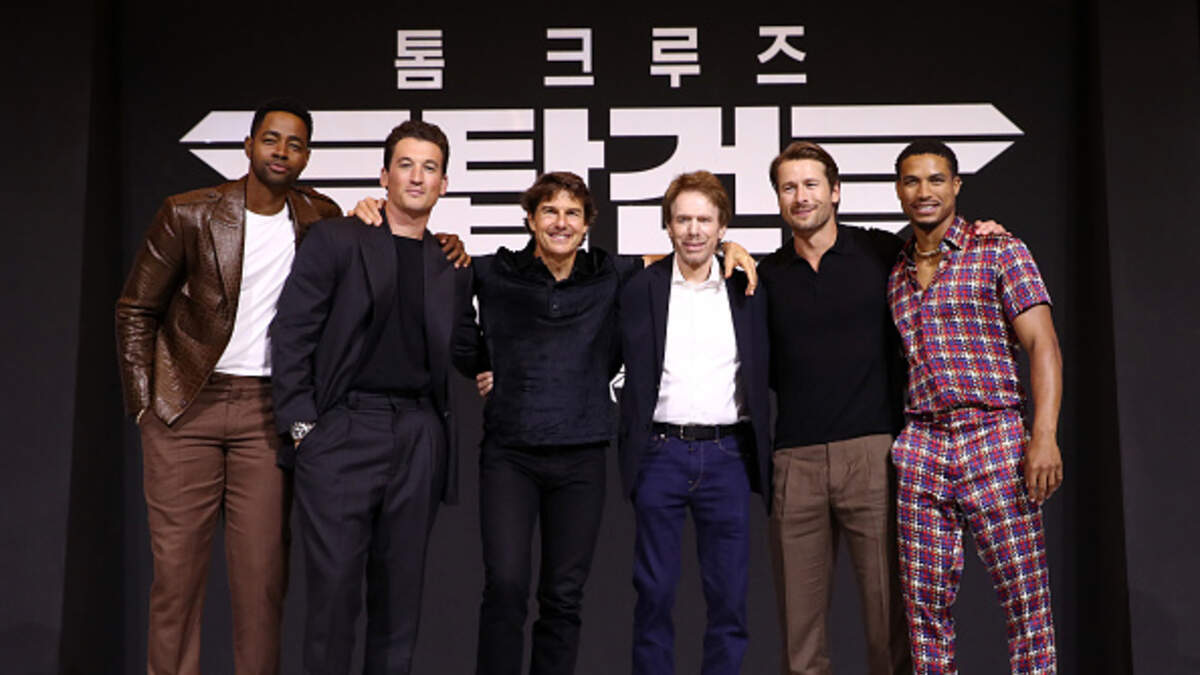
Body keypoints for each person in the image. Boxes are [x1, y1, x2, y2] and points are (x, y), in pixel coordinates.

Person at [351, 172, 756, 675]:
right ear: (530, 219)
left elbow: (682, 257)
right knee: (505, 588)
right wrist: (484, 361)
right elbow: (445, 295)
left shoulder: (608, 272)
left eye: (572, 214)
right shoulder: (495, 270)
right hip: (510, 455)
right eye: (549, 211)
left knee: (563, 596)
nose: (560, 223)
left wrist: (730, 247)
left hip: (582, 455)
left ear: (587, 225)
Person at [757, 141, 1007, 675]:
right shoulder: (765, 275)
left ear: (835, 191)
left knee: (890, 631)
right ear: (777, 198)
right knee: (800, 642)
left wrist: (984, 233)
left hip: (873, 456)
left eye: (811, 185)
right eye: (788, 187)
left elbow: (942, 245)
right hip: (794, 463)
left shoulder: (880, 252)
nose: (801, 197)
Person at [115, 98, 341, 675]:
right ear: (248, 146)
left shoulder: (320, 218)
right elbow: (136, 308)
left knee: (263, 582)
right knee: (177, 579)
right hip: (185, 408)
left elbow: (377, 248)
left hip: (266, 413)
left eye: (294, 144)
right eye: (271, 139)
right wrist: (144, 405)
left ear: (307, 157)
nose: (281, 151)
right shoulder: (188, 212)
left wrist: (447, 243)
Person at [270, 119, 473, 675]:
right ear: (384, 175)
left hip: (419, 435)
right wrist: (302, 428)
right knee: (333, 600)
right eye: (405, 165)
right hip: (342, 431)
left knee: (400, 603)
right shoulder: (338, 238)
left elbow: (466, 344)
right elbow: (293, 332)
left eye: (429, 168)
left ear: (444, 184)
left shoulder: (449, 263)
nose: (417, 177)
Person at [887, 140, 1062, 673]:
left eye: (936, 179)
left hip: (993, 434)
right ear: (898, 191)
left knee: (1026, 601)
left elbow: (1043, 345)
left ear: (956, 186)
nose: (924, 192)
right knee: (923, 613)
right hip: (922, 443)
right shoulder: (895, 273)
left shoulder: (999, 250)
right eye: (912, 181)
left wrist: (1043, 436)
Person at [617, 171, 771, 675]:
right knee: (654, 595)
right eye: (682, 219)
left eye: (705, 220)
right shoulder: (640, 287)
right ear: (667, 225)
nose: (693, 230)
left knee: (729, 598)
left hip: (727, 455)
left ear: (722, 227)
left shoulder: (748, 286)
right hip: (659, 452)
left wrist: (737, 254)